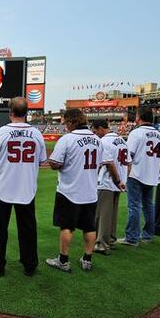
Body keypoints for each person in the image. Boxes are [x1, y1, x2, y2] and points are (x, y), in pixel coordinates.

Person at [0, 97, 47, 276]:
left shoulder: (2, 132)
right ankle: (30, 265)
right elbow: (42, 161)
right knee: (28, 228)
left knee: (0, 228)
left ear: (10, 112)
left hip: (2, 187)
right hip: (26, 187)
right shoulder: (36, 133)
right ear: (26, 112)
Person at [46, 108, 107, 272]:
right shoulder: (97, 139)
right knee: (89, 227)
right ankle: (87, 258)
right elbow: (101, 163)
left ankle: (63, 260)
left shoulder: (68, 139)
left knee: (67, 226)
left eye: (66, 122)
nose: (65, 125)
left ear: (72, 121)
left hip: (69, 190)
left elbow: (54, 163)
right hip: (90, 191)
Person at [119, 107, 160, 246]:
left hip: (136, 174)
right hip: (152, 174)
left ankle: (132, 238)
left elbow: (128, 156)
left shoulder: (136, 133)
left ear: (139, 117)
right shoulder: (159, 134)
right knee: (148, 206)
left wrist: (124, 176)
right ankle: (148, 235)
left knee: (134, 206)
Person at [91, 120, 128, 255]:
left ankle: (101, 244)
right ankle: (111, 239)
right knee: (112, 214)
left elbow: (109, 164)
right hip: (119, 183)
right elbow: (128, 163)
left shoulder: (104, 142)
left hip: (108, 182)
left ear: (101, 128)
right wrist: (123, 180)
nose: (95, 134)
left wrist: (116, 180)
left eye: (95, 131)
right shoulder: (122, 140)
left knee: (103, 215)